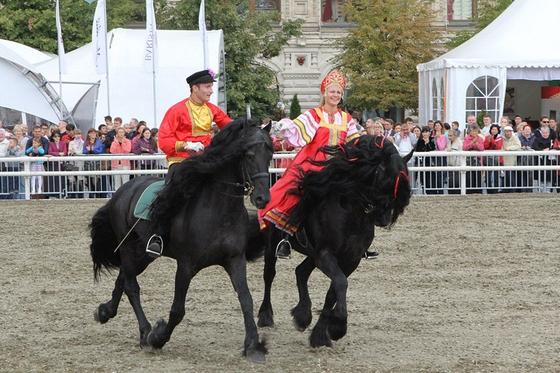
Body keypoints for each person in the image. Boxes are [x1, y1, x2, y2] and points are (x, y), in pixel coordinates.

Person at [258, 70, 362, 259]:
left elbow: (354, 143)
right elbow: (298, 127)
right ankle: (286, 238)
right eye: (332, 92)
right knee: (298, 196)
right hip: (313, 164)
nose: (336, 95)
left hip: (338, 166)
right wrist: (286, 126)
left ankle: (361, 238)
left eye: (339, 92)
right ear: (324, 93)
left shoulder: (347, 119)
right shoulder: (314, 114)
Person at [147, 69, 232, 257]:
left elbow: (229, 125)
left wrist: (251, 129)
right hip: (181, 160)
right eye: (208, 87)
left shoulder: (212, 109)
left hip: (206, 159)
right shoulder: (176, 110)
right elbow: (163, 140)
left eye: (211, 86)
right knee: (170, 194)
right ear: (195, 88)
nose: (211, 91)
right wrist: (184, 144)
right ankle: (157, 235)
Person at [463, 124, 484, 193]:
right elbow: (464, 148)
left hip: (477, 161)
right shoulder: (466, 138)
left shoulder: (480, 139)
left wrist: (477, 143)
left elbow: (481, 148)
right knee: (469, 177)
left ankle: (478, 191)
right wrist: (472, 143)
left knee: (478, 176)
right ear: (470, 132)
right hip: (469, 161)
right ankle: (469, 191)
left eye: (476, 131)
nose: (474, 133)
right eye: (473, 131)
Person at [83, 128, 105, 197]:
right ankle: (91, 194)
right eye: (91, 133)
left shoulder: (99, 141)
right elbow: (83, 151)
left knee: (95, 179)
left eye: (94, 133)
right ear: (89, 134)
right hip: (88, 162)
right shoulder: (86, 141)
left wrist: (93, 149)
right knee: (88, 178)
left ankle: (97, 193)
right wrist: (88, 150)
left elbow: (100, 151)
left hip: (96, 162)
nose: (93, 134)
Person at [109, 127, 132, 191]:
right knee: (116, 181)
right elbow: (112, 151)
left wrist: (123, 144)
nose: (121, 134)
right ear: (117, 133)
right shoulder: (114, 142)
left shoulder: (127, 141)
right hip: (116, 164)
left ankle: (126, 193)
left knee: (125, 180)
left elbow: (127, 150)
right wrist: (116, 143)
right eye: (119, 132)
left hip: (125, 163)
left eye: (122, 132)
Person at [415, 126, 437, 194]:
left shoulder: (432, 139)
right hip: (422, 162)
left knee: (431, 177)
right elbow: (418, 149)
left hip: (431, 161)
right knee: (423, 178)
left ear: (429, 133)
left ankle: (432, 191)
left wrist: (428, 143)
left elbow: (433, 148)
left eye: (426, 132)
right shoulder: (420, 140)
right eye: (423, 132)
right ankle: (424, 190)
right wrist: (424, 144)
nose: (425, 134)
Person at [47, 129, 67, 197]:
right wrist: (58, 153)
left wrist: (57, 154)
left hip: (61, 164)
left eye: (58, 136)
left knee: (61, 179)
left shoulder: (63, 143)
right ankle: (53, 193)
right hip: (53, 164)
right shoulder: (51, 144)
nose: (57, 137)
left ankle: (62, 193)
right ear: (52, 137)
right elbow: (50, 152)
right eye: (55, 136)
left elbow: (64, 152)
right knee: (53, 179)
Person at [483, 124, 503, 193]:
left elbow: (498, 147)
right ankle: (489, 189)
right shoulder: (487, 137)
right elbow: (485, 146)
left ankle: (496, 189)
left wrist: (492, 141)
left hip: (497, 159)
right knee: (488, 176)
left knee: (496, 175)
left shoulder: (500, 138)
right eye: (492, 129)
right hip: (488, 159)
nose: (494, 131)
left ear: (498, 131)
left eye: (495, 130)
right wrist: (489, 141)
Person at [502, 125, 521, 192]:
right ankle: (505, 189)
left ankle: (512, 190)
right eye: (507, 132)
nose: (508, 133)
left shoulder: (515, 138)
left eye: (509, 131)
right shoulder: (502, 138)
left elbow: (518, 146)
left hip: (512, 161)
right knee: (505, 177)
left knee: (512, 177)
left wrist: (509, 148)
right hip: (504, 161)